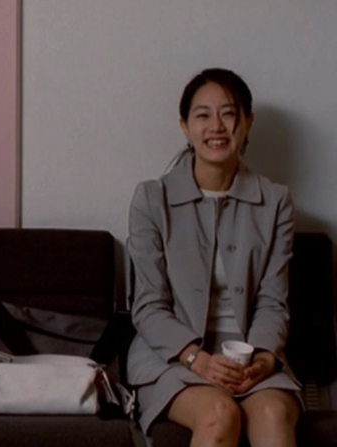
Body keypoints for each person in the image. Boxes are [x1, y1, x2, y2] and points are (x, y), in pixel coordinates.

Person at [127, 68, 301, 447]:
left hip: (251, 358)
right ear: (185, 127)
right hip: (172, 357)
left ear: (248, 122)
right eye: (202, 115)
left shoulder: (276, 202)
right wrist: (198, 359)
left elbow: (273, 301)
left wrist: (263, 359)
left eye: (228, 113)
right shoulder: (151, 200)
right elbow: (148, 305)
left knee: (273, 413)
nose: (216, 127)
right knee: (219, 413)